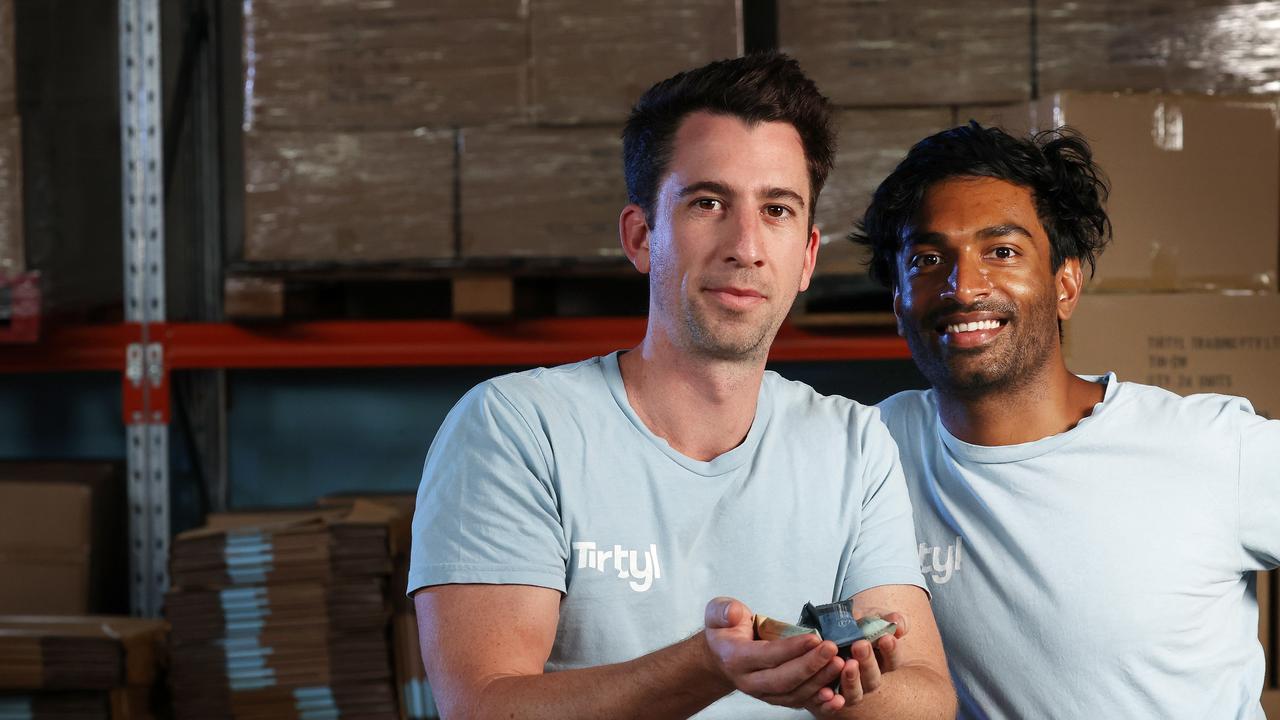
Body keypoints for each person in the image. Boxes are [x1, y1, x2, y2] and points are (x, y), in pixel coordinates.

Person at [408, 53, 954, 719]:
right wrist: (707, 666)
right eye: (708, 202)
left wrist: (834, 677)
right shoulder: (516, 428)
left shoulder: (853, 444)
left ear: (807, 256)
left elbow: (925, 698)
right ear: (641, 237)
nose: (746, 245)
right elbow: (484, 707)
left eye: (777, 209)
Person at [852, 121, 1280, 718]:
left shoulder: (1212, 449)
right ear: (898, 299)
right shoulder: (866, 458)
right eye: (926, 259)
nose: (963, 286)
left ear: (1065, 283)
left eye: (1002, 252)